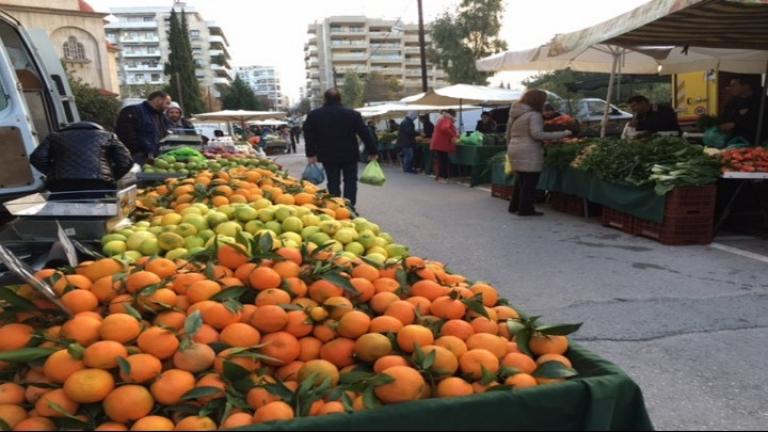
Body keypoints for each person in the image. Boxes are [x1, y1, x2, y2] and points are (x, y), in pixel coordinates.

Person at [304, 88, 377, 207]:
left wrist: (310, 154)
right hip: (349, 154)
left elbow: (309, 136)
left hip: (328, 155)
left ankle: (335, 206)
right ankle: (349, 206)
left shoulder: (314, 115)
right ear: (340, 98)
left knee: (333, 181)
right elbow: (365, 133)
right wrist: (373, 151)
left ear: (325, 99)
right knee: (350, 181)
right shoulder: (353, 114)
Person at [506, 89, 572, 217]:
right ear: (537, 100)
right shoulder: (534, 115)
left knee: (521, 180)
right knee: (530, 181)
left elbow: (507, 134)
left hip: (514, 148)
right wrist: (563, 133)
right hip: (529, 150)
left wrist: (510, 147)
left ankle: (514, 206)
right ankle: (526, 209)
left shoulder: (515, 113)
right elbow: (537, 135)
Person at [30, 122, 134, 195]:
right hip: (98, 184)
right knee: (99, 214)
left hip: (61, 184)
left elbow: (37, 157)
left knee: (63, 214)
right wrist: (111, 175)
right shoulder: (108, 136)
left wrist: (51, 172)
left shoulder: (54, 137)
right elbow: (125, 160)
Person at [115, 91, 171, 164]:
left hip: (156, 156)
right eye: (167, 103)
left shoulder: (160, 115)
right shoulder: (132, 111)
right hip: (137, 157)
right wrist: (140, 150)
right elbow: (125, 134)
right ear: (158, 100)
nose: (168, 106)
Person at [720, 77, 765, 144]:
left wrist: (735, 125)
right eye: (730, 86)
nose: (731, 88)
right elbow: (726, 117)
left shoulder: (761, 101)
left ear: (746, 86)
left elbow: (758, 122)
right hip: (733, 141)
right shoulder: (733, 101)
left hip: (754, 142)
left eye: (734, 85)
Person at [430, 109, 459, 183]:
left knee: (441, 160)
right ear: (453, 114)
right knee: (443, 160)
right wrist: (453, 136)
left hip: (438, 143)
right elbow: (445, 128)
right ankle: (442, 177)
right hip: (442, 143)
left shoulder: (442, 118)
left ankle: (440, 177)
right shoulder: (447, 119)